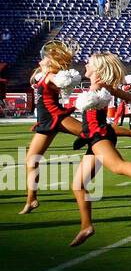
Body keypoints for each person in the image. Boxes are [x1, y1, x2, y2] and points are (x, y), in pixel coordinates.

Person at [68, 53, 131, 246]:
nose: (85, 64)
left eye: (89, 63)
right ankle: (86, 226)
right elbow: (127, 95)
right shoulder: (101, 86)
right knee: (78, 185)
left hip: (99, 135)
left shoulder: (100, 86)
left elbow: (125, 96)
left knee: (117, 166)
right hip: (93, 137)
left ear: (97, 69)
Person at [21, 42, 86, 214]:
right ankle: (31, 199)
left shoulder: (50, 76)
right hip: (45, 121)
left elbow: (62, 85)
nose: (41, 59)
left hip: (54, 117)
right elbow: (36, 76)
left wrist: (63, 77)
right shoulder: (42, 74)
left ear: (51, 63)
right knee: (31, 160)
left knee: (93, 132)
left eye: (45, 58)